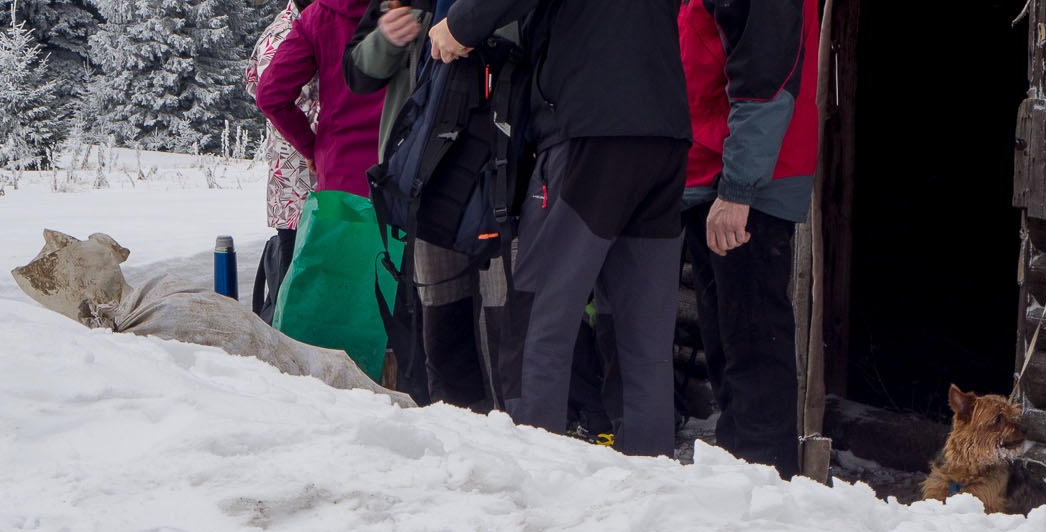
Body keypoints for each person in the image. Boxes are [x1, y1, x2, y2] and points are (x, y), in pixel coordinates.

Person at [429, 0, 691, 459]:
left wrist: (459, 25)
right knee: (641, 336)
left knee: (539, 316)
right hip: (664, 134)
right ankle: (649, 485)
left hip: (589, 128)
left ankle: (531, 473)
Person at [679, 0, 819, 478]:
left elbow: (764, 79)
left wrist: (738, 189)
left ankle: (767, 481)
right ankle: (739, 475)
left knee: (755, 339)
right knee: (725, 341)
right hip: (710, 169)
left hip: (745, 180)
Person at [344, 3, 497, 411]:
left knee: (501, 308)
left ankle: (507, 422)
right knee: (437, 310)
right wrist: (388, 39)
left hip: (501, 163)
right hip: (427, 166)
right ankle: (450, 420)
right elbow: (357, 72)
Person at [254, 0, 385, 199]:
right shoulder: (420, 11)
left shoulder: (318, 16)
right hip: (411, 170)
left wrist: (309, 147)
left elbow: (270, 94)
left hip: (340, 174)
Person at [243, 0, 319, 320]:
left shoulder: (295, 23)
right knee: (295, 282)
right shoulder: (286, 31)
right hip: (297, 181)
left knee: (311, 278)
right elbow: (266, 91)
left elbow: (250, 79)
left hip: (302, 179)